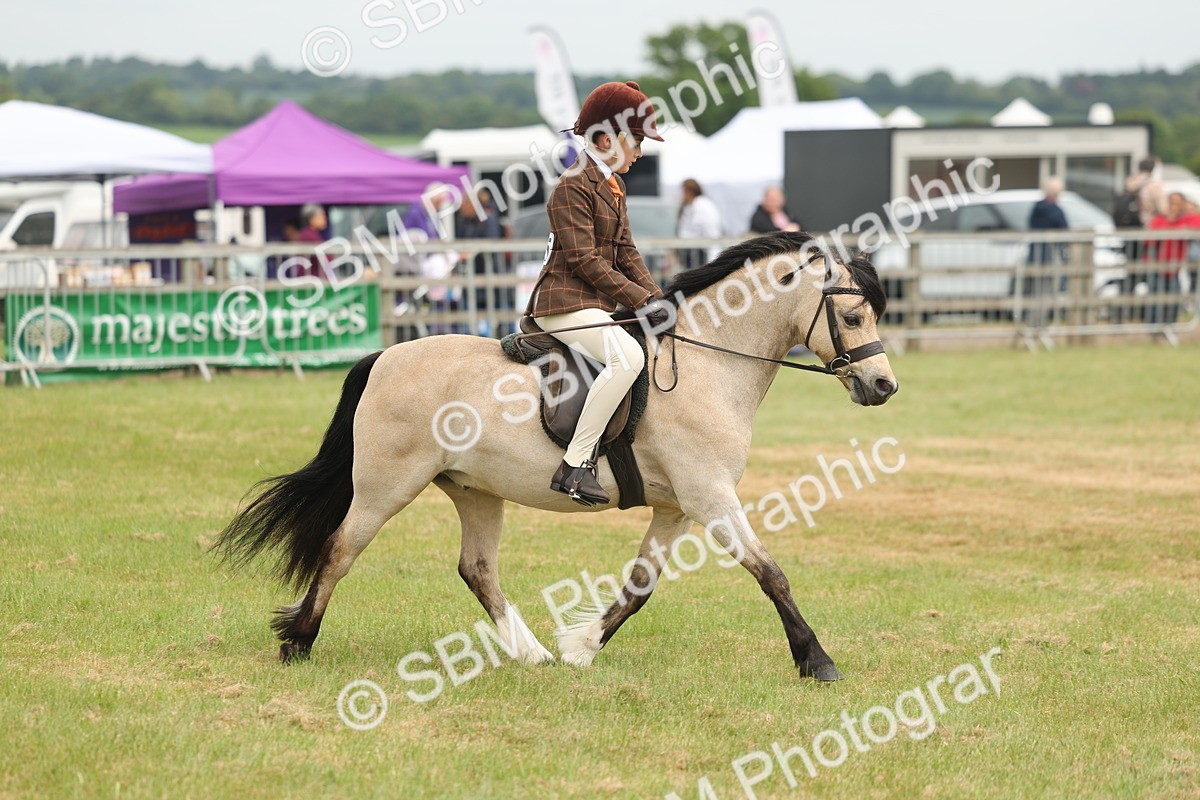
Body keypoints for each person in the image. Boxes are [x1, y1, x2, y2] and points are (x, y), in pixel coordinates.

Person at [526, 80, 668, 505]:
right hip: (563, 304)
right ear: (606, 139)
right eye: (637, 140)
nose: (640, 151)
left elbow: (625, 251)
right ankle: (575, 464)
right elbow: (586, 260)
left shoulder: (612, 186)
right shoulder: (572, 186)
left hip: (592, 304)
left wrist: (658, 296)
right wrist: (640, 299)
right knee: (629, 357)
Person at [1144, 192, 1200, 323]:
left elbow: (1197, 224)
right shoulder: (1159, 219)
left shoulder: (1187, 219)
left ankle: (1169, 329)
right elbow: (1149, 239)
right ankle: (1154, 330)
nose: (1171, 206)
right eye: (1170, 202)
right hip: (1156, 267)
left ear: (1182, 206)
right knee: (1155, 300)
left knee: (1174, 301)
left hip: (1174, 269)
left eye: (1175, 203)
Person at [675, 178, 723, 269]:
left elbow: (711, 231)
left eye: (683, 191)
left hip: (702, 253)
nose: (681, 194)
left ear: (690, 191)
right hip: (691, 253)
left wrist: (713, 258)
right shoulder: (687, 206)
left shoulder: (703, 205)